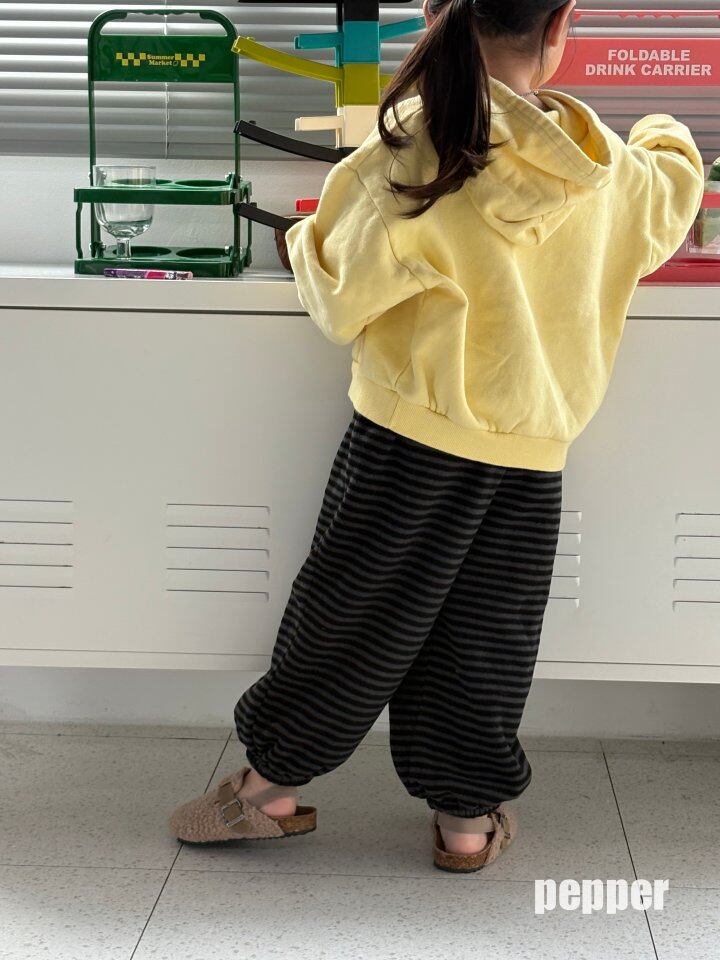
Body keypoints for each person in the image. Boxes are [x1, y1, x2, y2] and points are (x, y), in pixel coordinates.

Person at [169, 0, 705, 872]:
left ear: (437, 12)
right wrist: (664, 130)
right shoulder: (609, 170)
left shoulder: (418, 146)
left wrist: (304, 242)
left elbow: (336, 295)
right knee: (485, 645)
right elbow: (672, 193)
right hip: (529, 459)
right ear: (561, 25)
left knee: (350, 621)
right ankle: (465, 823)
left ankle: (267, 792)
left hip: (407, 448)